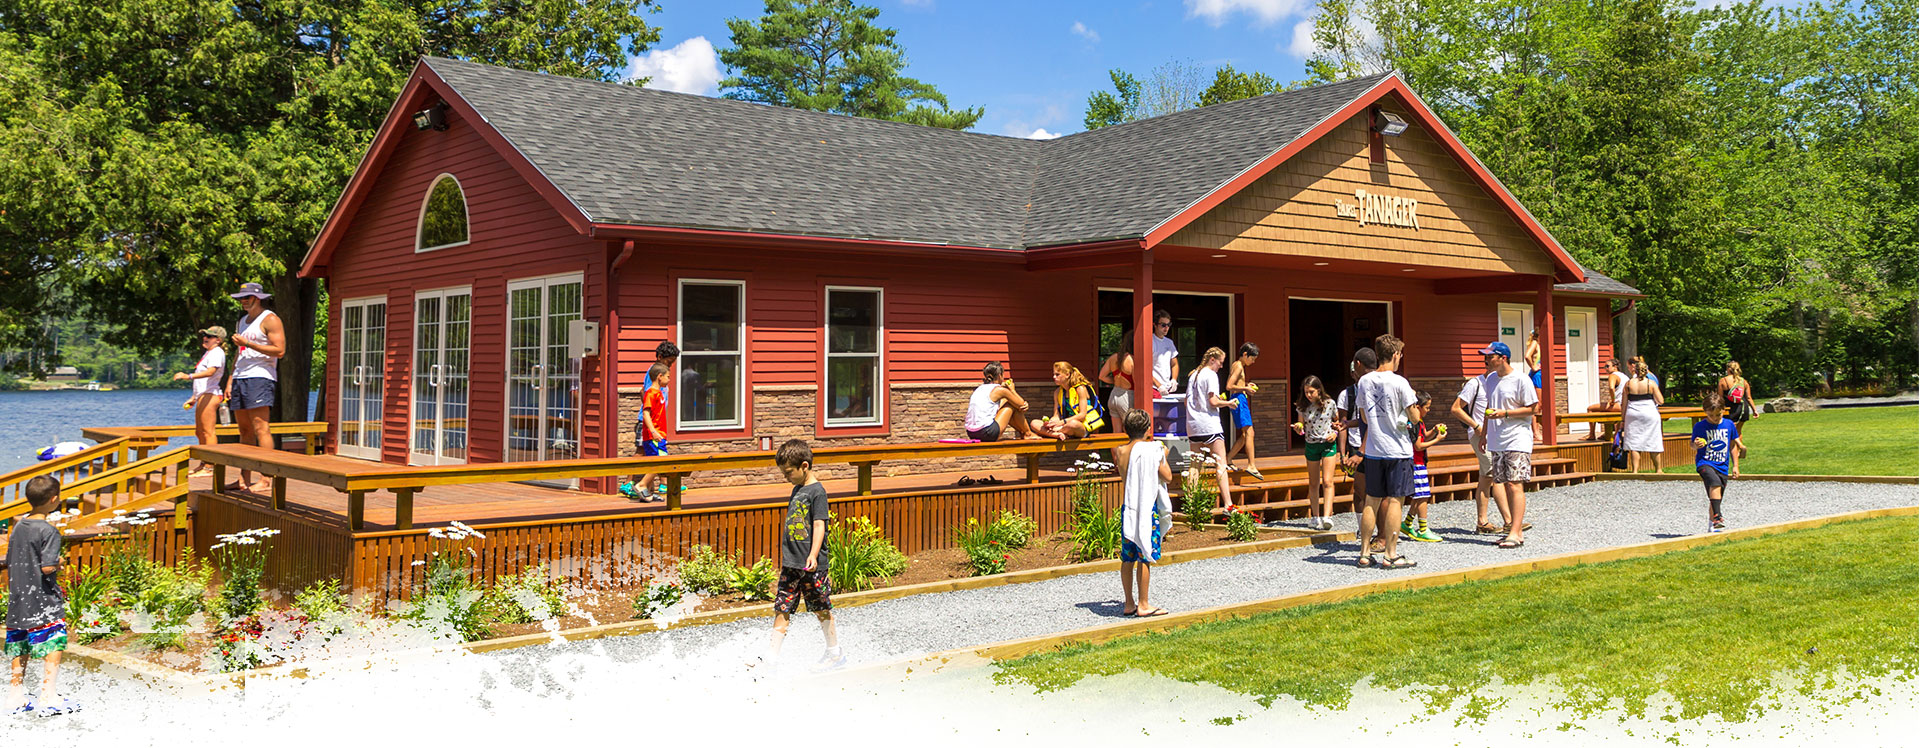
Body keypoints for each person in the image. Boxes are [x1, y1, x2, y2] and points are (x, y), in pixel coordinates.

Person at [760, 439, 842, 672]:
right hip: (791, 563)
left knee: (820, 608)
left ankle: (835, 654)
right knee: (782, 607)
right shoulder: (797, 489)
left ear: (804, 466)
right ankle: (771, 659)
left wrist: (814, 554)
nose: (786, 477)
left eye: (789, 473)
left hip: (812, 565)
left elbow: (819, 525)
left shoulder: (817, 492)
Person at [3, 476, 74, 715]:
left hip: (19, 595)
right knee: (54, 637)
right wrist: (60, 562)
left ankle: (15, 694)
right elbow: (47, 567)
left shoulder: (18, 527)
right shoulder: (49, 531)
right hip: (43, 598)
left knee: (18, 641)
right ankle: (48, 693)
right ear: (54, 500)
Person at [1356, 334, 1419, 569]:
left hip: (1374, 448)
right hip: (1398, 450)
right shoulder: (1400, 382)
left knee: (1371, 499)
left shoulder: (1364, 381)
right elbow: (1414, 415)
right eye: (1400, 354)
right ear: (1394, 355)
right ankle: (1391, 554)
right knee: (1395, 500)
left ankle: (1364, 552)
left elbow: (1363, 416)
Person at [225, 282, 286, 494]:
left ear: (257, 298)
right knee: (244, 430)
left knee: (261, 428)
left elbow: (279, 350)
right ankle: (243, 478)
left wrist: (248, 343)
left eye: (246, 297)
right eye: (240, 298)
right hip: (241, 377)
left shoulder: (270, 319)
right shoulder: (242, 321)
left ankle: (266, 478)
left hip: (260, 377)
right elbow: (239, 352)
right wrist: (230, 379)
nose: (242, 301)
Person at [1479, 341, 1538, 549]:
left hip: (1517, 437)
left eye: (1489, 356)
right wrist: (1484, 433)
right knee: (1502, 483)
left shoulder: (1521, 379)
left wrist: (1504, 414)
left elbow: (1533, 408)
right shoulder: (1491, 379)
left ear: (1502, 357)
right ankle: (1516, 531)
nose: (1486, 360)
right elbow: (1489, 407)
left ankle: (1514, 531)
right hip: (1497, 439)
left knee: (1515, 483)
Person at [1115, 409, 1173, 617]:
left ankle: (1129, 603)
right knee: (1145, 555)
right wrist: (1163, 457)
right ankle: (1144, 603)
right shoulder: (1153, 450)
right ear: (1149, 429)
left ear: (1125, 429)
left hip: (1128, 507)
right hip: (1146, 508)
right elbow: (1167, 477)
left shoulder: (1120, 451)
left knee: (1127, 557)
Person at [1451, 358, 1510, 535]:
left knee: (1487, 476)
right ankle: (1509, 521)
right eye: (1489, 361)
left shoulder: (1500, 384)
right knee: (1493, 473)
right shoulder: (1475, 383)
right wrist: (1476, 426)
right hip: (1479, 436)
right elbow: (1456, 408)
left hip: (1496, 436)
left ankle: (1482, 522)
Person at [1336, 348, 1380, 551]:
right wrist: (1343, 451)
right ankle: (1364, 530)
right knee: (1360, 491)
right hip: (1356, 444)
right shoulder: (1348, 393)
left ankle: (1381, 534)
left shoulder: (1374, 387)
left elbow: (1371, 422)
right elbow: (1344, 421)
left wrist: (1361, 451)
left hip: (1371, 446)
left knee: (1378, 492)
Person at [173, 326, 228, 478]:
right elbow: (203, 380)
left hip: (211, 395)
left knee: (208, 431)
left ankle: (210, 466)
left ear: (218, 340)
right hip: (203, 395)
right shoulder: (209, 353)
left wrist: (187, 376)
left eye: (209, 336)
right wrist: (194, 398)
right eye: (204, 335)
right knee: (199, 432)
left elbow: (211, 372)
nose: (205, 338)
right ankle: (204, 462)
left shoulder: (217, 352)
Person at [1185, 347, 1236, 510]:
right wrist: (1228, 403)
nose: (1221, 366)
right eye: (1220, 363)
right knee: (1221, 463)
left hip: (1193, 425)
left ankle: (1191, 503)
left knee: (1194, 465)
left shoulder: (1193, 375)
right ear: (1212, 360)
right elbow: (1213, 402)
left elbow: (1187, 401)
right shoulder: (1211, 375)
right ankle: (1228, 504)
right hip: (1209, 424)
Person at [1693, 391, 1746, 533]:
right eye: (1711, 415)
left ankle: (1713, 526)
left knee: (1716, 497)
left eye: (1718, 415)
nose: (1715, 418)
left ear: (1724, 410)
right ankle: (1718, 516)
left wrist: (1735, 465)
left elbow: (1733, 446)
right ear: (1704, 412)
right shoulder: (1699, 427)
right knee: (1714, 484)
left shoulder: (1729, 425)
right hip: (1705, 463)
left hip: (1722, 466)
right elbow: (1692, 444)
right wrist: (1696, 445)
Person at [1293, 375, 1338, 531]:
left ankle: (1327, 516)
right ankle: (1315, 517)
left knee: (1327, 481)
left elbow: (1337, 423)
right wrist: (1299, 427)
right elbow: (1301, 423)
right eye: (1306, 392)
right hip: (1311, 444)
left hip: (1328, 444)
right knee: (1313, 482)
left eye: (1311, 391)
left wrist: (1335, 433)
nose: (1308, 395)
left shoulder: (1330, 404)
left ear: (1319, 390)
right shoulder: (1302, 406)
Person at [620, 363, 670, 502]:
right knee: (661, 460)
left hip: (660, 434)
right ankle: (641, 485)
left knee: (654, 462)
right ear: (660, 377)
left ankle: (647, 492)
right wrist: (653, 431)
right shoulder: (651, 394)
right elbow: (646, 414)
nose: (669, 379)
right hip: (654, 435)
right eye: (668, 377)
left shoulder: (659, 393)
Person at [1402, 392, 1445, 543]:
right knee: (1423, 496)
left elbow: (1423, 436)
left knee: (1420, 495)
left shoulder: (1419, 422)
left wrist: (1433, 431)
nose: (1429, 410)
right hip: (1416, 463)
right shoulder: (1413, 423)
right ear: (1418, 407)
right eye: (1427, 407)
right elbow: (1419, 446)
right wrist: (1437, 440)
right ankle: (1423, 529)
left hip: (1419, 462)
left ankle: (1407, 523)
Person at [1222, 343, 1266, 480]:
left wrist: (1245, 386)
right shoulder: (1239, 366)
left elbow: (1236, 385)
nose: (1253, 362)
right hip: (1239, 399)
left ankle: (1228, 458)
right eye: (1252, 358)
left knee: (1245, 435)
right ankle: (1251, 465)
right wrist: (1245, 389)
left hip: (1239, 398)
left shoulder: (1238, 365)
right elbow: (1229, 386)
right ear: (1245, 354)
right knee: (1249, 432)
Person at [962, 362, 1039, 441]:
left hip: (971, 433)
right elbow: (1020, 404)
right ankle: (1028, 433)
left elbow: (999, 408)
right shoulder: (999, 390)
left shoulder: (979, 389)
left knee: (1008, 402)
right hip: (987, 432)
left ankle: (1023, 433)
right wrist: (1012, 390)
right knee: (1011, 404)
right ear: (999, 375)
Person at [1032, 362, 1107, 440]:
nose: (1054, 377)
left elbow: (1082, 415)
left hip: (1079, 426)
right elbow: (1056, 415)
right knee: (1034, 423)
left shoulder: (1080, 389)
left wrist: (1062, 422)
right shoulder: (1057, 392)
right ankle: (1057, 434)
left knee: (1072, 424)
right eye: (1054, 374)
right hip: (1063, 426)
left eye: (1057, 375)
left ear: (1067, 375)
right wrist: (1051, 422)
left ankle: (1053, 433)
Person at [1620, 357, 1665, 474]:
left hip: (1633, 413)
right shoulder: (1651, 383)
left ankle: (1635, 470)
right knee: (1653, 440)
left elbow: (1624, 403)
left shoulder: (1628, 384)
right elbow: (1661, 401)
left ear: (1635, 370)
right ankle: (1658, 469)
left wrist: (1623, 419)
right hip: (1649, 413)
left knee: (1634, 442)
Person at [1098, 337, 1137, 433]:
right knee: (1129, 432)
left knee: (1116, 433)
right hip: (1127, 396)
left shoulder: (1114, 357)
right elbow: (1137, 382)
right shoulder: (1132, 359)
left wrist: (1115, 380)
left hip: (1114, 394)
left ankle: (1115, 449)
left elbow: (1101, 376)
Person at [1717, 361, 1756, 432]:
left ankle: (1733, 444)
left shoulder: (1723, 381)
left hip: (1730, 409)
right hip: (1743, 408)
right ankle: (1739, 443)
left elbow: (1720, 398)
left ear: (1728, 369)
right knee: (1738, 432)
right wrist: (1754, 410)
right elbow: (1748, 398)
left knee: (1730, 432)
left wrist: (1719, 411)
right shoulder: (1743, 381)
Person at [1149, 310, 1180, 397]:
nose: (1166, 328)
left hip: (1167, 388)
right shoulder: (1150, 341)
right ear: (1154, 324)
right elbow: (1145, 369)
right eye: (1163, 325)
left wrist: (1174, 379)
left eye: (1168, 325)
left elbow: (1174, 364)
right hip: (1153, 388)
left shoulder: (1169, 342)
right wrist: (1159, 385)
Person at [1524, 329, 1544, 442]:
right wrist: (1533, 367)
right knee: (1537, 405)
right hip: (1537, 375)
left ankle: (1537, 431)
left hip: (1542, 375)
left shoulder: (1541, 344)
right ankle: (1535, 432)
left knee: (1541, 406)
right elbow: (1527, 356)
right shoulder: (1535, 343)